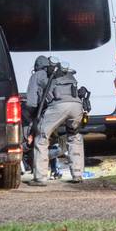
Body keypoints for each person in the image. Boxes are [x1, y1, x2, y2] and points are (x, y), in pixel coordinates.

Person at [26, 56, 84, 186]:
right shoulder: (65, 72)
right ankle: (77, 174)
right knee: (74, 136)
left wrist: (33, 118)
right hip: (77, 106)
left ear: (36, 67)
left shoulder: (38, 75)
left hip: (58, 106)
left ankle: (40, 178)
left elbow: (31, 102)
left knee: (41, 137)